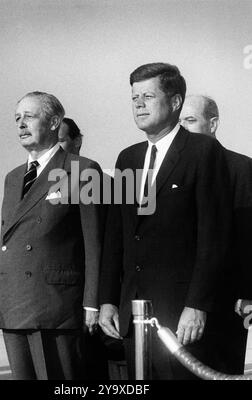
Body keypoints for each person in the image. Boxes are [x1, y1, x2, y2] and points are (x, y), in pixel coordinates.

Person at [99, 63, 234, 379]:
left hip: (181, 317)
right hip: (133, 315)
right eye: (134, 98)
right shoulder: (127, 158)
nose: (139, 105)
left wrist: (197, 305)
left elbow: (214, 237)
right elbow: (116, 235)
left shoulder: (203, 151)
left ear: (175, 102)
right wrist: (107, 300)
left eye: (148, 96)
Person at [0, 91, 103, 380]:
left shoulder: (82, 170)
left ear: (54, 121)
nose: (20, 124)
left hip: (56, 306)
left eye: (29, 116)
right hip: (14, 302)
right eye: (17, 118)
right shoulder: (13, 177)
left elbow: (95, 244)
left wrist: (92, 303)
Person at [180, 94, 252, 372]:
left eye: (190, 120)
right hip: (179, 298)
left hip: (227, 301)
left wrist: (247, 292)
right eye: (179, 122)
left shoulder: (241, 167)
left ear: (213, 124)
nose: (183, 128)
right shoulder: (168, 169)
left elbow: (247, 236)